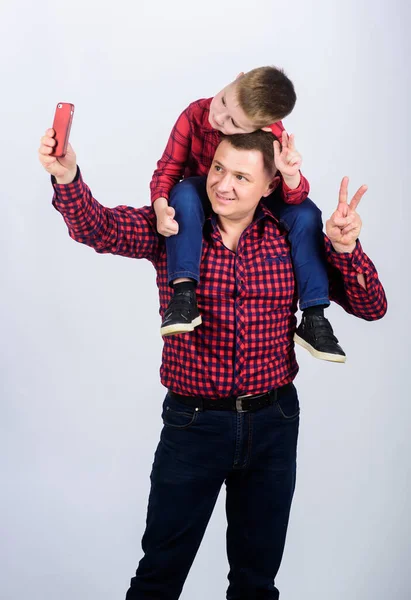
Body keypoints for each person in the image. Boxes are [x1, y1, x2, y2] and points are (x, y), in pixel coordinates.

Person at [38, 127, 387, 600]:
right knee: (158, 576)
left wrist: (345, 251)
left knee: (256, 582)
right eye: (218, 169)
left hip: (274, 422)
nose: (223, 184)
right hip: (193, 424)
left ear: (269, 186)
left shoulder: (293, 236)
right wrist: (67, 176)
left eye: (241, 176)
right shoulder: (175, 224)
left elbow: (372, 306)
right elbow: (98, 227)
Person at [152, 66, 346, 362]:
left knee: (307, 214)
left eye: (232, 123)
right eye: (224, 102)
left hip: (256, 198)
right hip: (205, 194)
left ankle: (314, 316)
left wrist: (290, 174)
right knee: (184, 193)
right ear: (236, 78)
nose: (218, 118)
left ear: (264, 128)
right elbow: (168, 169)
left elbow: (293, 195)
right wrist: (159, 205)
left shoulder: (275, 136)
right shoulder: (195, 114)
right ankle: (183, 296)